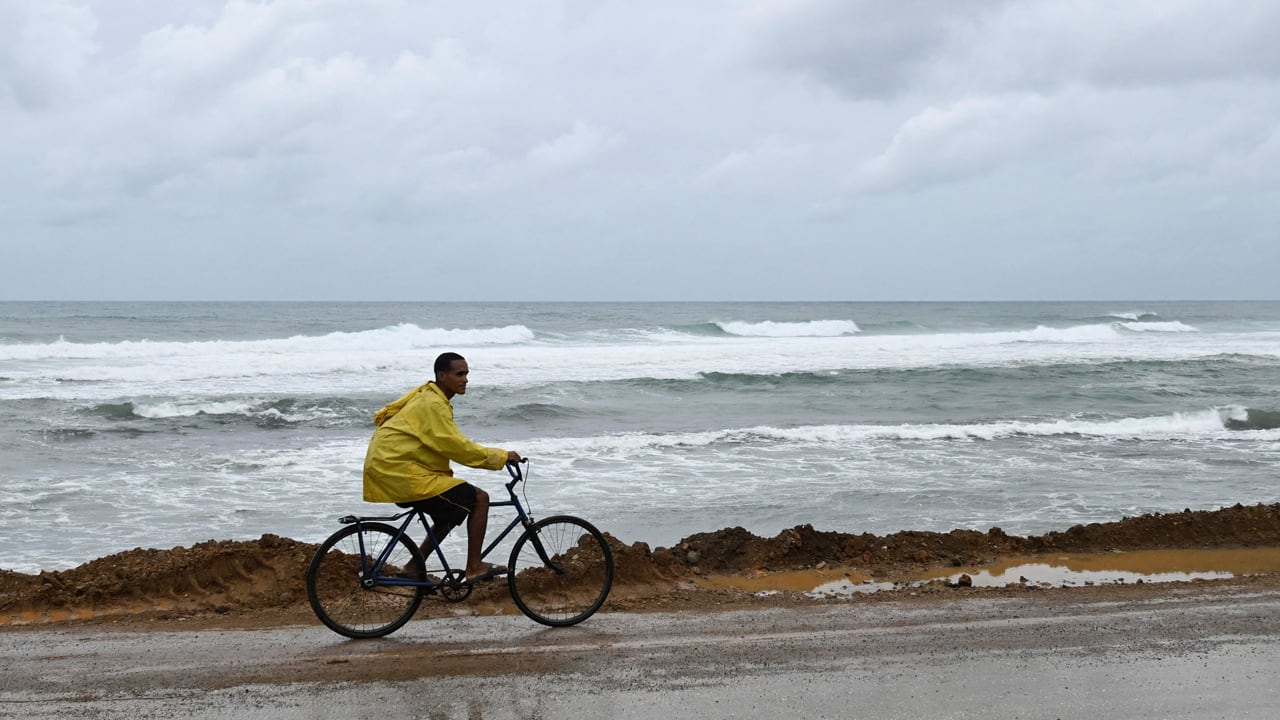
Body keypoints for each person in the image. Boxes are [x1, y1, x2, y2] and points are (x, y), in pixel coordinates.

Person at [363, 351, 521, 584]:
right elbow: (456, 447)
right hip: (400, 472)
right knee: (479, 498)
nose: (465, 379)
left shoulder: (430, 397)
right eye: (459, 374)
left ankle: (413, 567)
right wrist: (501, 456)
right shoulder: (432, 403)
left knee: (451, 509)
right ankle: (475, 567)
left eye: (466, 373)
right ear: (442, 375)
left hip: (397, 469)